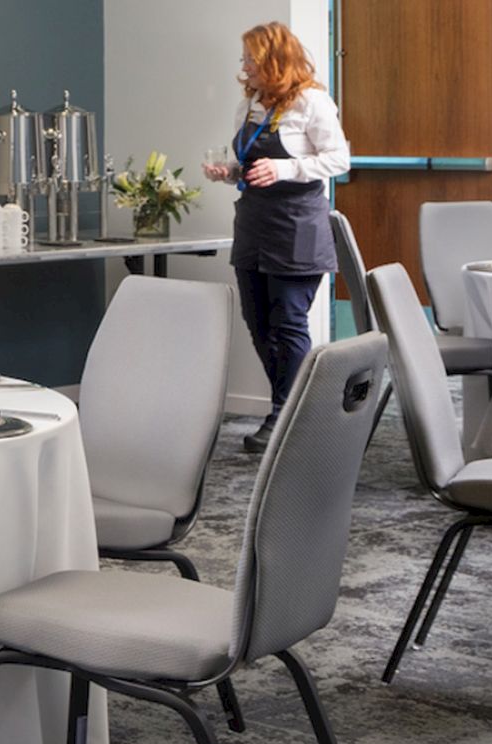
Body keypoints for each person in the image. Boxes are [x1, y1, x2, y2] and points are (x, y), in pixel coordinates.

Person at [202, 22, 350, 453]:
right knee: (258, 322)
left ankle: (286, 416)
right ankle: (296, 407)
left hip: (297, 228)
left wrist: (286, 168)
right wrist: (228, 172)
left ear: (272, 60)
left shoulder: (312, 101)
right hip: (253, 225)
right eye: (244, 58)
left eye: (250, 58)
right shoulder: (249, 103)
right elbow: (247, 165)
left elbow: (339, 158)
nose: (243, 66)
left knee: (288, 324)